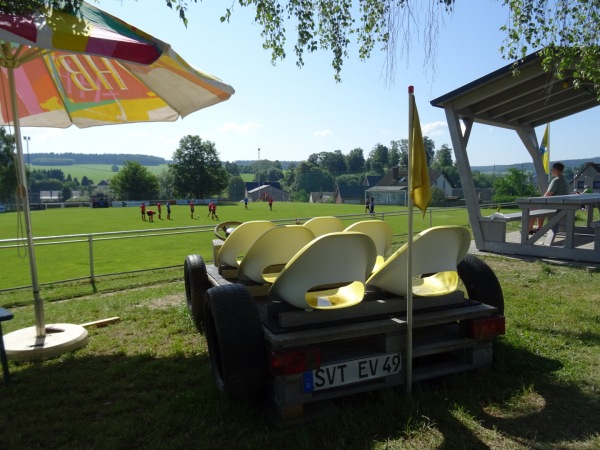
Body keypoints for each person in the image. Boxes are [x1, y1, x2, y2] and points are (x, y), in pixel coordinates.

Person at [529, 162, 570, 233]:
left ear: (555, 170)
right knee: (539, 208)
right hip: (562, 205)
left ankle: (529, 229)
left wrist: (539, 201)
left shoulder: (556, 180)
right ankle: (539, 228)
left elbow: (548, 194)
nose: (551, 171)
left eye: (552, 169)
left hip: (555, 205)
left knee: (533, 208)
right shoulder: (564, 180)